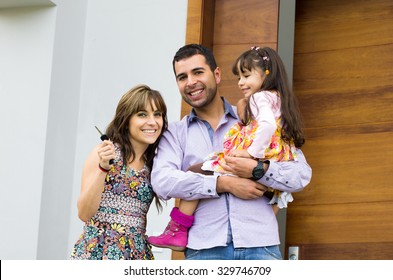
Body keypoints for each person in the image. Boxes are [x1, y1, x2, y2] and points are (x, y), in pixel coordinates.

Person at [148, 44, 312, 260]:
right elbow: (163, 182)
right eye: (182, 77)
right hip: (204, 251)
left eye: (198, 72)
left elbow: (301, 174)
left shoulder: (256, 119)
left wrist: (258, 170)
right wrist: (222, 184)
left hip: (261, 247)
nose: (190, 82)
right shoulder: (175, 133)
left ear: (217, 74)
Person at [70, 84, 168, 260]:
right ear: (126, 119)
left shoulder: (156, 162)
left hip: (137, 255)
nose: (152, 122)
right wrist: (103, 169)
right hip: (98, 252)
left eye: (157, 114)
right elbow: (84, 214)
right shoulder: (104, 153)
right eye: (142, 114)